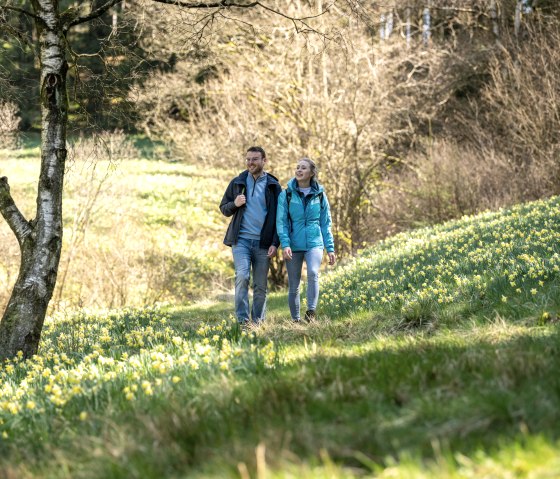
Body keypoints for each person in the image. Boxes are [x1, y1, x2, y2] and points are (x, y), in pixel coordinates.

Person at [220, 146, 282, 325]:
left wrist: (275, 243)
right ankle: (242, 321)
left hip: (263, 243)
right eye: (248, 159)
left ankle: (258, 323)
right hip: (241, 241)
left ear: (264, 161)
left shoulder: (273, 186)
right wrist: (235, 204)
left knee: (260, 286)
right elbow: (224, 208)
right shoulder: (237, 182)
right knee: (242, 276)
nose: (250, 163)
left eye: (255, 159)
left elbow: (280, 218)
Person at [276, 158, 336, 322]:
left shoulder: (321, 195)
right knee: (294, 284)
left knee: (313, 273)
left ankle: (311, 312)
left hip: (314, 243)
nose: (299, 170)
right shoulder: (286, 194)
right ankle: (295, 319)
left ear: (311, 173)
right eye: (297, 167)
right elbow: (281, 222)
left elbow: (326, 223)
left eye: (303, 168)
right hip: (293, 244)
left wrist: (330, 248)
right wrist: (285, 244)